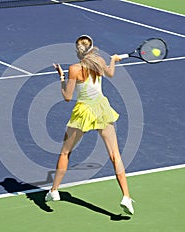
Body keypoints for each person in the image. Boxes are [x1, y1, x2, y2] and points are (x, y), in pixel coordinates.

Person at [45, 35, 134, 215]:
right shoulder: (99, 61)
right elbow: (110, 73)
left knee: (65, 152)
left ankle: (54, 191)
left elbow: (67, 97)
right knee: (115, 155)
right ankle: (126, 196)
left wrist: (62, 78)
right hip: (102, 109)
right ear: (91, 48)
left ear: (78, 50)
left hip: (84, 112)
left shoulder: (74, 69)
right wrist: (113, 60)